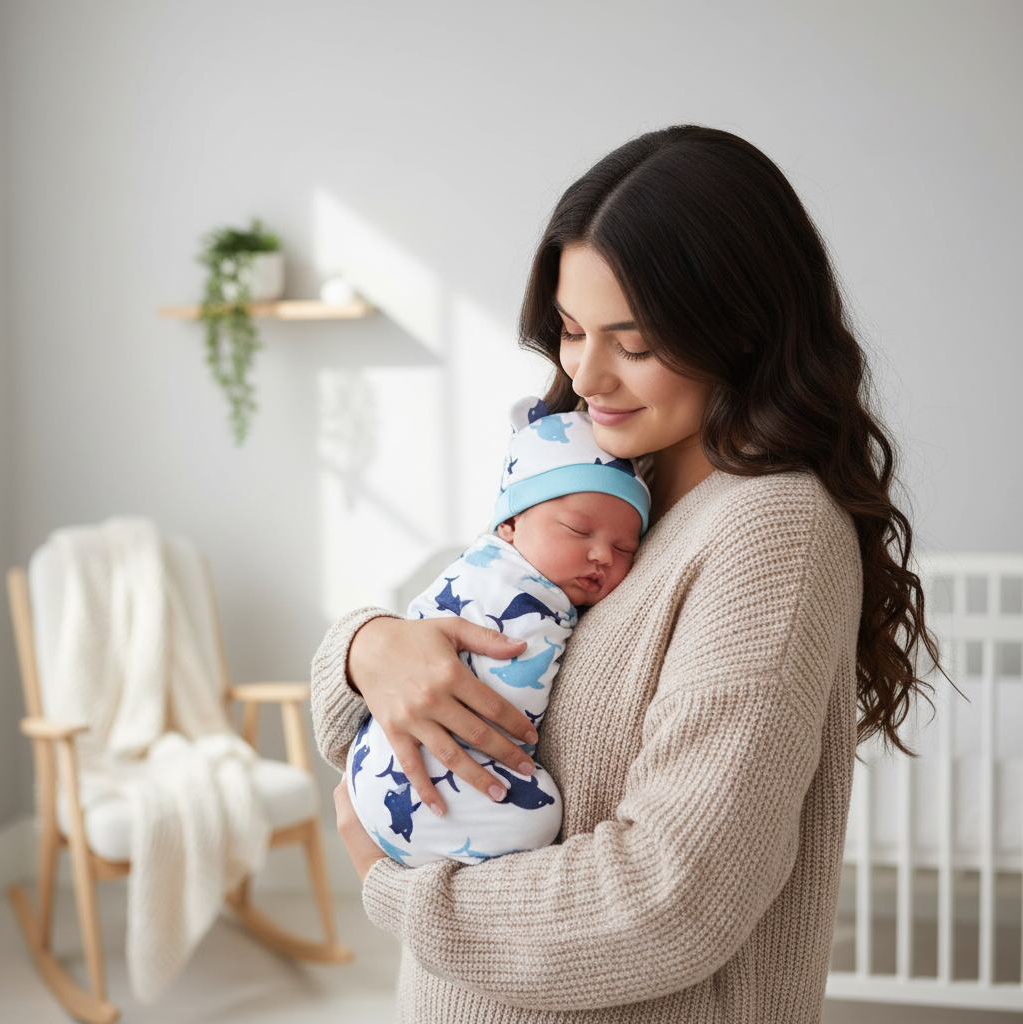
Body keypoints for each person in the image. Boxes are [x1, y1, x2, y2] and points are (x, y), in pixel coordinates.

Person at [311, 125, 938, 1024]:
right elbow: (431, 669)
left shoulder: (771, 533)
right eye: (569, 330)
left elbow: (671, 901)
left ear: (741, 328)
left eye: (633, 343)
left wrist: (401, 894)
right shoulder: (608, 478)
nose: (586, 373)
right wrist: (368, 649)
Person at [346, 395, 650, 868]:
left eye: (625, 547)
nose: (602, 556)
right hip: (414, 774)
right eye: (577, 530)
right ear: (508, 525)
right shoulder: (507, 583)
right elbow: (508, 700)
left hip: (367, 779)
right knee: (539, 817)